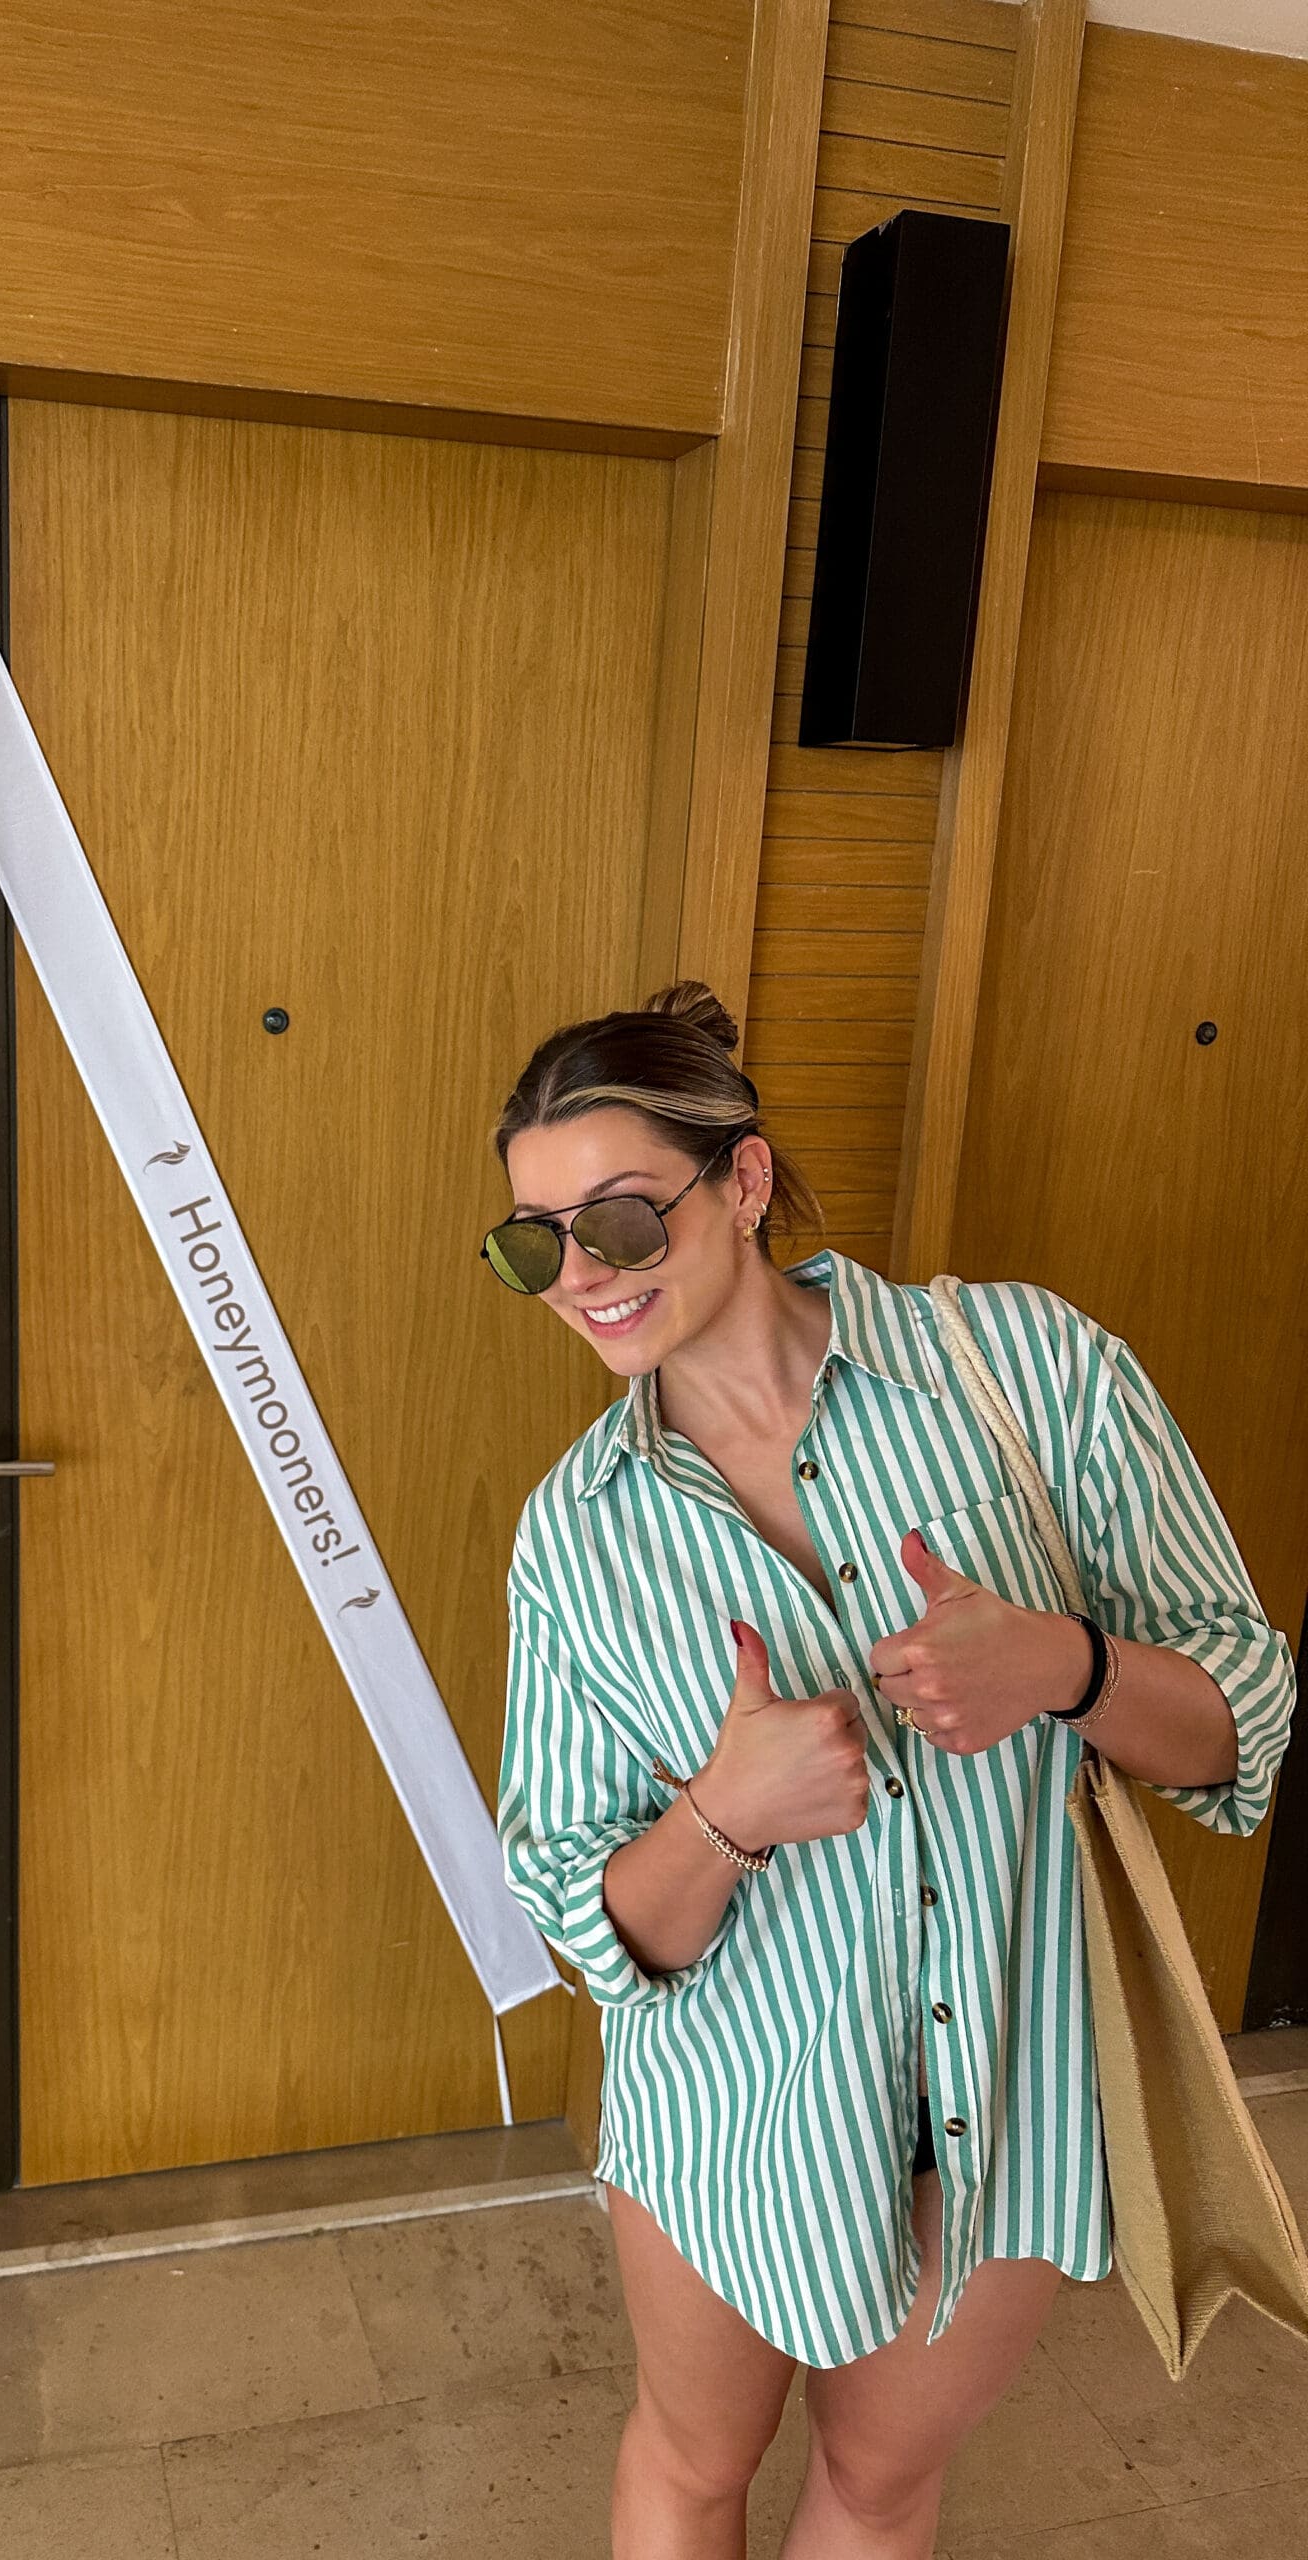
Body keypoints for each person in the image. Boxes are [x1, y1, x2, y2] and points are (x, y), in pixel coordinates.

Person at [486, 981, 1295, 2560]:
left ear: (745, 1182)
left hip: (1010, 2086)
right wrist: (722, 1817)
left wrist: (1063, 1664)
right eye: (534, 1243)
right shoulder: (575, 1538)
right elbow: (577, 1919)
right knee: (692, 2459)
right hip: (733, 2109)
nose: (580, 1277)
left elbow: (1245, 1714)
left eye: (623, 1223)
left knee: (879, 2483)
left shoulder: (1029, 1375)